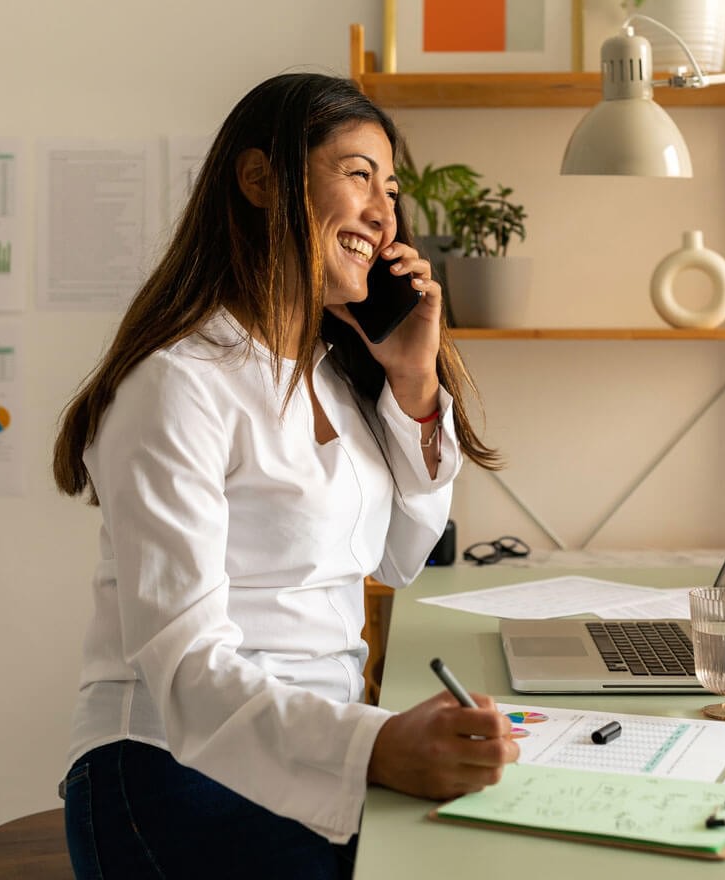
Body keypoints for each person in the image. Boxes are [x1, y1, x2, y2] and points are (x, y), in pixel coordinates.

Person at [51, 73, 519, 879]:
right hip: (169, 765)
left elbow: (405, 557)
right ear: (262, 180)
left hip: (308, 745)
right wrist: (375, 744)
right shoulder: (179, 384)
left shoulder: (334, 374)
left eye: (392, 188)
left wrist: (413, 383)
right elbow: (187, 670)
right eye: (359, 174)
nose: (383, 213)